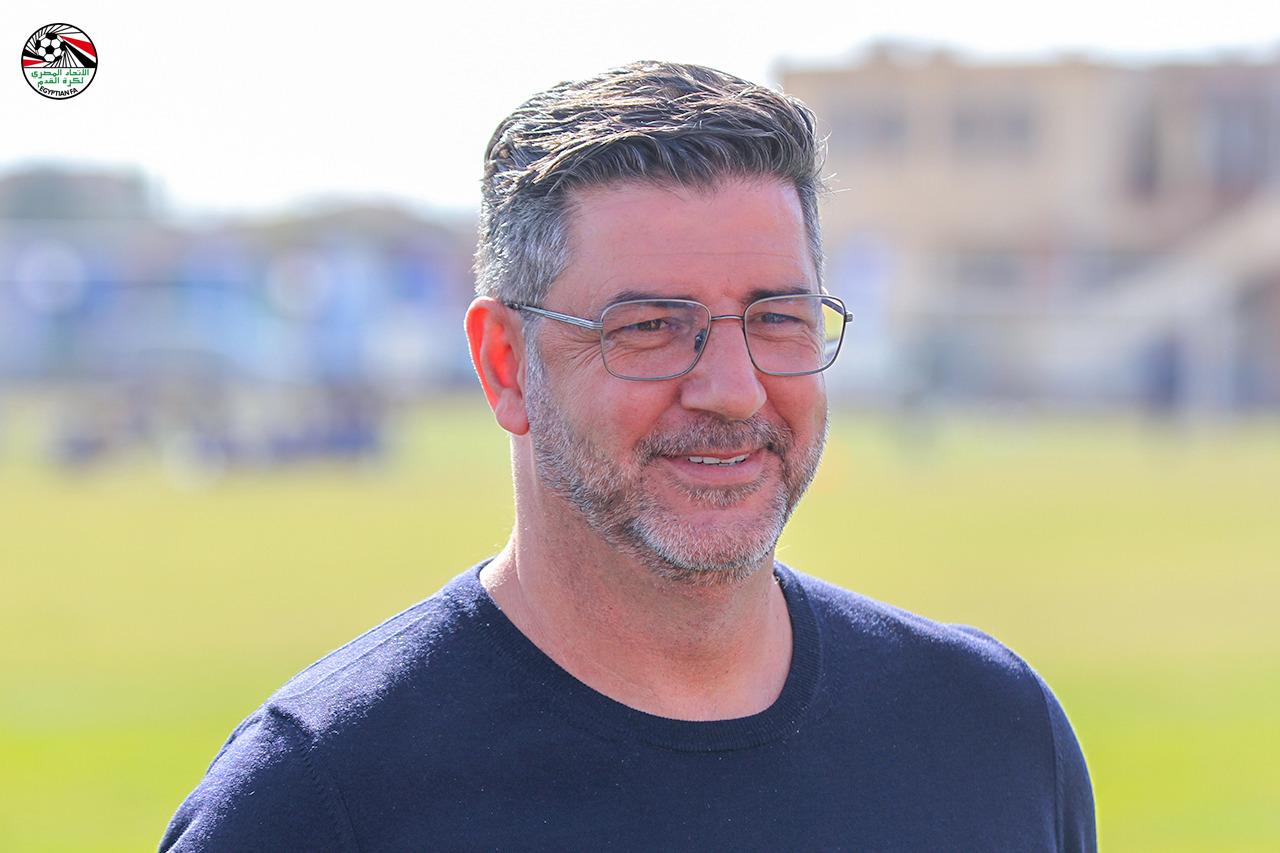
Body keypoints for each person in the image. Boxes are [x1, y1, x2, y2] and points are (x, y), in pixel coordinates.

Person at [159, 61, 1096, 851]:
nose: (733, 389)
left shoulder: (993, 735)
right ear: (504, 364)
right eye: (650, 326)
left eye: (778, 318)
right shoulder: (317, 801)